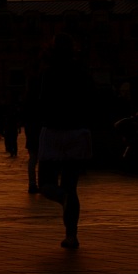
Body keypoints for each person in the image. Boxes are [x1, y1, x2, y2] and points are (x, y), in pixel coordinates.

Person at [36, 34, 93, 249]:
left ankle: (60, 197)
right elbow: (91, 99)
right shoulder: (82, 73)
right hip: (77, 131)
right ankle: (71, 235)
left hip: (53, 130)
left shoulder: (47, 73)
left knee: (46, 184)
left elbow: (40, 102)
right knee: (72, 186)